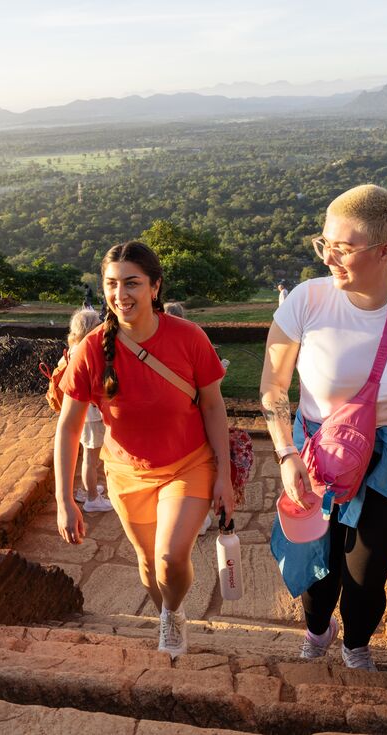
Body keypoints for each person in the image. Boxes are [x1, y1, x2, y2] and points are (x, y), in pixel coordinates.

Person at [260, 184, 387, 671]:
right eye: (324, 244)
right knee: (315, 578)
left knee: (363, 576)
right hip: (316, 455)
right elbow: (273, 387)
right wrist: (286, 454)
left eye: (342, 248)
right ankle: (317, 629)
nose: (328, 257)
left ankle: (355, 644)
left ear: (385, 250)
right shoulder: (307, 302)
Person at [54, 241, 234, 658]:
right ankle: (169, 614)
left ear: (155, 287)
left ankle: (171, 614)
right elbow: (68, 428)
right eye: (112, 284)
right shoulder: (92, 350)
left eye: (132, 283)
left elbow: (213, 406)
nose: (121, 295)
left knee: (170, 557)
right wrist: (65, 499)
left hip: (187, 464)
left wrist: (223, 475)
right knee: (149, 564)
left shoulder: (188, 338)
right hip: (126, 472)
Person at [66, 308, 113, 513]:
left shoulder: (74, 347)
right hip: (91, 414)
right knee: (91, 459)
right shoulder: (85, 350)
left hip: (84, 413)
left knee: (89, 455)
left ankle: (89, 488)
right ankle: (92, 498)